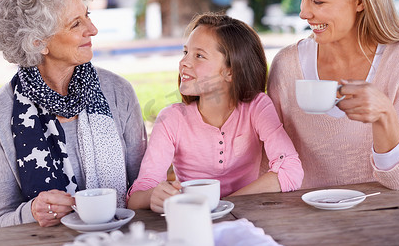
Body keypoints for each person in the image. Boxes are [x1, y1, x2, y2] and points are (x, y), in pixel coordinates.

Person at [0, 0, 147, 228]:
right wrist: (32, 211)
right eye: (75, 24)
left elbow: (142, 188)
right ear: (38, 41)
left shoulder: (118, 93)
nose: (92, 30)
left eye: (87, 16)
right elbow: (4, 218)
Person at [267, 0, 399, 190]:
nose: (303, 13)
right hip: (301, 220)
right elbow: (269, 163)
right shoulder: (287, 66)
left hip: (386, 218)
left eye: (317, 0)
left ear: (360, 1)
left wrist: (384, 116)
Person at [127, 13, 304, 213]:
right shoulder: (172, 119)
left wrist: (223, 204)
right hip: (194, 219)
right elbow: (136, 197)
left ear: (231, 71)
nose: (183, 62)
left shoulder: (257, 107)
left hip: (249, 220)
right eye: (185, 52)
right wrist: (153, 195)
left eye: (199, 55)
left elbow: (290, 170)